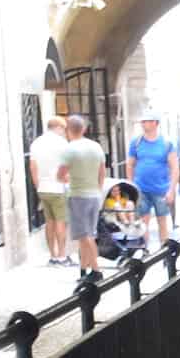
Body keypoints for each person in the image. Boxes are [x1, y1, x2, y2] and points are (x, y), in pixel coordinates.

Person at [59, 114, 107, 276]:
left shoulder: (69, 149)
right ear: (84, 129)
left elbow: (61, 175)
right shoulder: (96, 147)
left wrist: (67, 178)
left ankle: (95, 269)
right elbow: (102, 173)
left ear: (68, 130)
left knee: (85, 235)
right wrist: (99, 190)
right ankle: (83, 270)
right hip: (94, 195)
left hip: (78, 195)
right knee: (87, 234)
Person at [125, 113, 178, 246]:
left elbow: (174, 167)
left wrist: (172, 190)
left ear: (155, 123)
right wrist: (131, 186)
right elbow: (130, 164)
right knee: (143, 223)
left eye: (147, 121)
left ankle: (165, 253)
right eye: (142, 122)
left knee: (162, 221)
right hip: (141, 188)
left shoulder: (166, 143)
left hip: (161, 189)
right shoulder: (136, 143)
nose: (143, 124)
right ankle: (145, 252)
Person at [27, 115, 69, 265]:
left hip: (43, 188)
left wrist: (37, 185)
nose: (64, 132)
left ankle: (53, 255)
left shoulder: (36, 143)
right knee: (60, 221)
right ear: (58, 128)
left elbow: (33, 166)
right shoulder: (62, 143)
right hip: (58, 187)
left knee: (49, 222)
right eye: (63, 129)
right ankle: (62, 255)